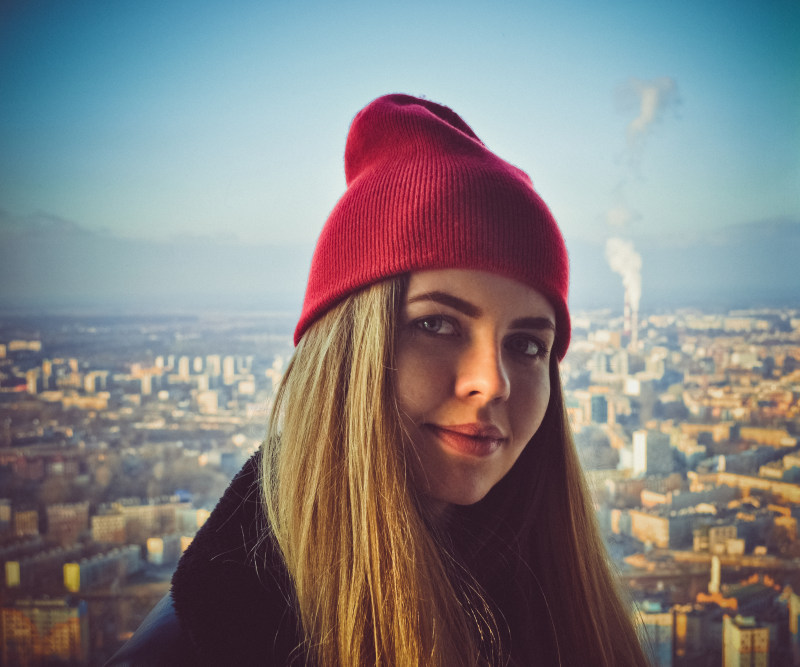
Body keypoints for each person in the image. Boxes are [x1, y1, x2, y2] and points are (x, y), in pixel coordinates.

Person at [107, 94, 648, 666]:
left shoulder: (564, 606)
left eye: (526, 344)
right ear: (346, 352)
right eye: (436, 324)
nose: (493, 383)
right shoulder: (190, 650)